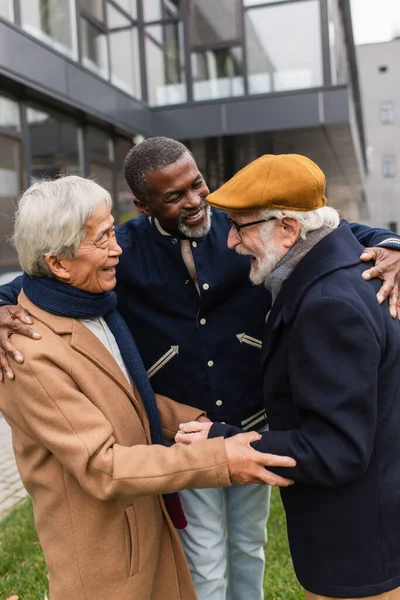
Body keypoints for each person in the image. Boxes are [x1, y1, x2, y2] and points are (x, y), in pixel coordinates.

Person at [1, 139, 400, 600]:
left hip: (250, 421)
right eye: (174, 197)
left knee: (250, 545)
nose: (195, 202)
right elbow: (41, 276)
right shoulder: (122, 248)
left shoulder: (243, 222)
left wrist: (393, 244)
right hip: (188, 437)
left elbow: (326, 228)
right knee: (206, 557)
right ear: (143, 205)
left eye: (197, 185)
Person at [0, 175, 297, 600]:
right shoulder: (28, 354)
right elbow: (102, 466)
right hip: (107, 562)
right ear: (60, 264)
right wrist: (219, 455)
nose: (118, 249)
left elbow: (130, 399)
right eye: (103, 238)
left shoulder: (94, 308)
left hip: (142, 530)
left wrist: (202, 423)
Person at [176, 154, 400, 600]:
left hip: (356, 555)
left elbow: (337, 450)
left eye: (240, 228)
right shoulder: (340, 261)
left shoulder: (327, 305)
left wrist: (225, 441)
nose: (231, 243)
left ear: (287, 229)